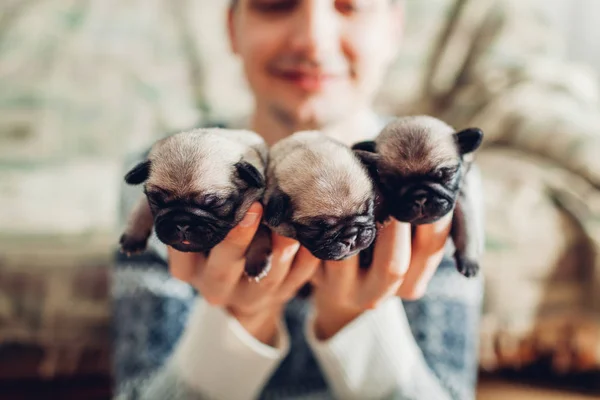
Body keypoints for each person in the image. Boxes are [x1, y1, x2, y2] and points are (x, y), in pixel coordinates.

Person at [112, 0, 484, 399]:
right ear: (232, 27)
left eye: (352, 5)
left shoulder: (440, 167)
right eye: (274, 4)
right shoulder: (163, 171)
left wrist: (352, 321)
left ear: (394, 29)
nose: (313, 40)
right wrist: (237, 324)